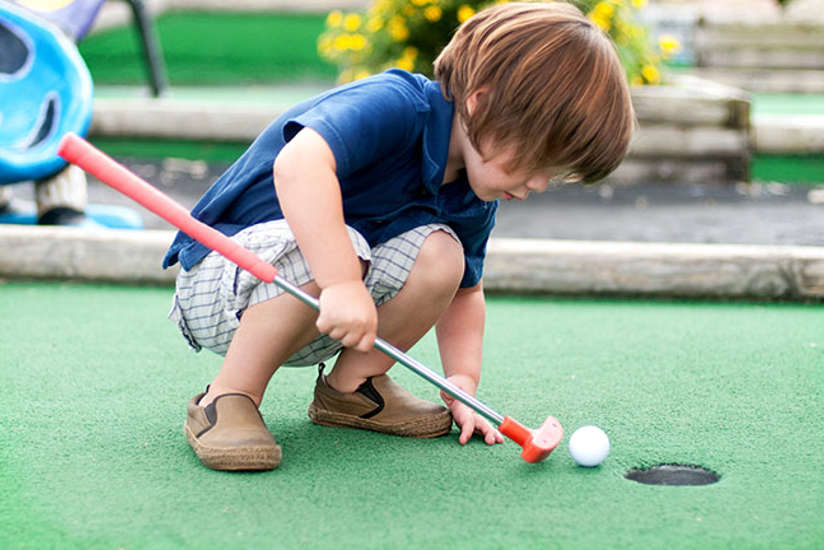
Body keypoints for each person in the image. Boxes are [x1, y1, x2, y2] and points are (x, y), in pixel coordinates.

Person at [163, 1, 635, 471]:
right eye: (537, 161)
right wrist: (343, 284)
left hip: (322, 308)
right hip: (221, 281)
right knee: (342, 247)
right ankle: (228, 397)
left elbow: (465, 294)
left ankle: (352, 390)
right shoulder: (395, 105)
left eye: (552, 175)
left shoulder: (472, 196)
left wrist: (462, 384)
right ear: (481, 104)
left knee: (443, 256)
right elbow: (298, 165)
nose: (536, 184)